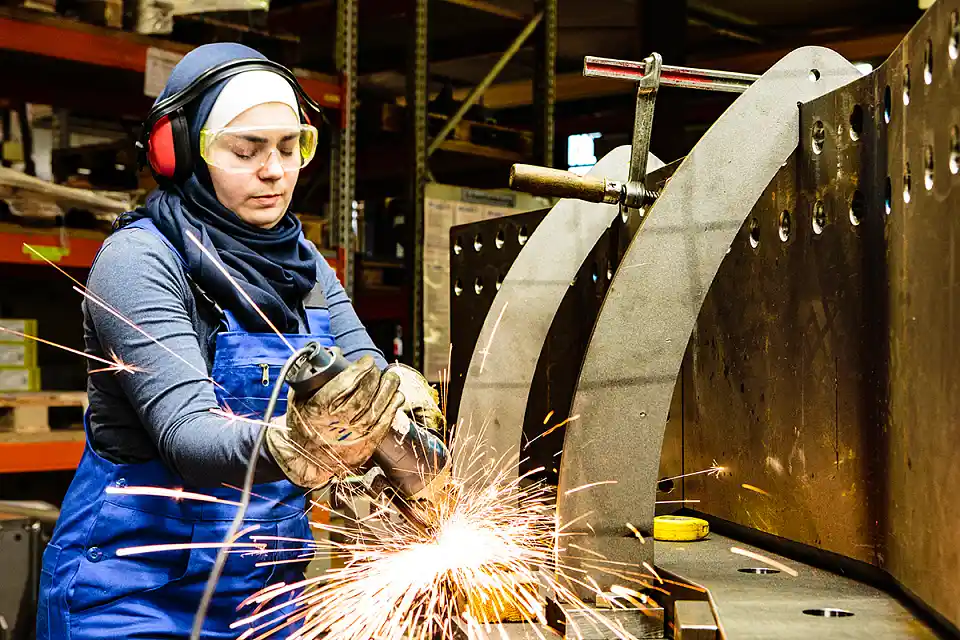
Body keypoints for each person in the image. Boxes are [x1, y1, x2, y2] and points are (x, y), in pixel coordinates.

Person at [36, 42, 442, 639]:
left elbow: (366, 382)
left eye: (289, 146)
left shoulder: (305, 267)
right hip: (132, 599)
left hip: (267, 598)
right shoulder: (140, 260)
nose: (274, 171)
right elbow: (188, 435)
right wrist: (294, 445)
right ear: (181, 152)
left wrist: (407, 425)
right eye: (245, 150)